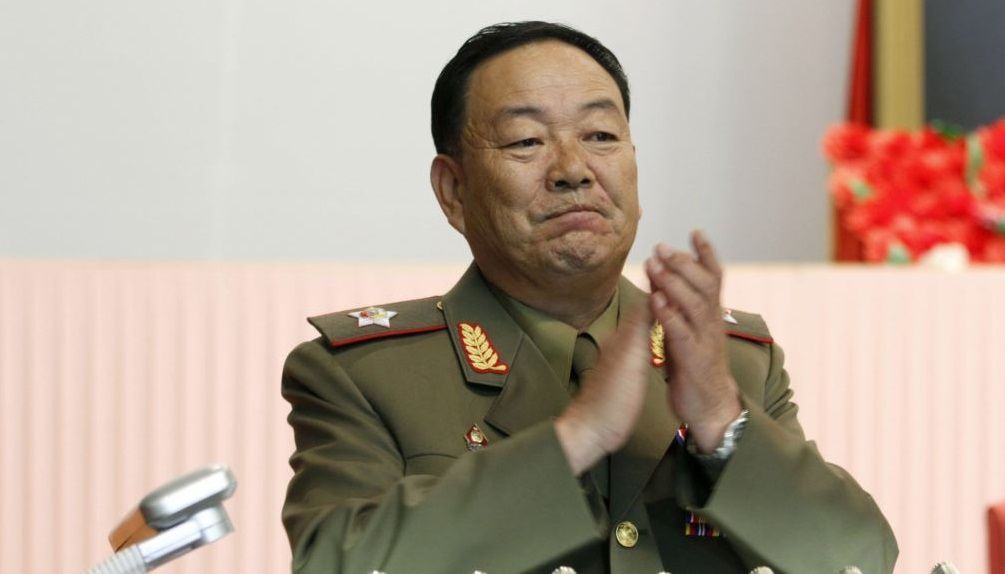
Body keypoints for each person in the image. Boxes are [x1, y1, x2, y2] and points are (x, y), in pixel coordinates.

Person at [281, 21, 898, 574]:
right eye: (526, 141)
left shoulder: (731, 362)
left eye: (601, 135)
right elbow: (335, 561)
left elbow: (858, 559)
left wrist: (719, 420)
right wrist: (575, 438)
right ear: (453, 191)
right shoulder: (366, 373)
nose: (573, 169)